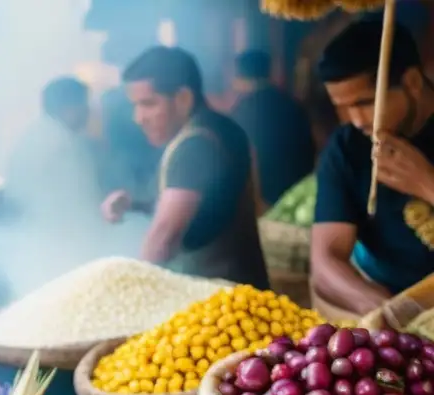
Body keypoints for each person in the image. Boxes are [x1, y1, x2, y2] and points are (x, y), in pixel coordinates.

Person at [102, 46, 269, 289]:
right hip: (241, 293)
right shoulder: (220, 126)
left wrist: (131, 294)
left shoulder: (196, 144)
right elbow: (201, 206)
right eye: (135, 105)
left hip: (218, 303)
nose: (138, 117)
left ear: (183, 98)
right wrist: (135, 204)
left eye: (148, 104)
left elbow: (164, 237)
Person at [312, 19, 434, 314]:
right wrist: (388, 313)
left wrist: (426, 184)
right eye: (343, 106)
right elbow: (326, 260)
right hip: (388, 303)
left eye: (365, 103)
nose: (356, 120)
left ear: (413, 82)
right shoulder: (348, 147)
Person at [6, 76, 100, 235]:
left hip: (26, 227)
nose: (89, 111)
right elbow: (78, 200)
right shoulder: (62, 144)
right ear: (68, 109)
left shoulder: (35, 132)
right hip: (51, 231)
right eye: (84, 104)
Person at [230, 50, 316, 208]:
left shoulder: (241, 111)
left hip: (264, 200)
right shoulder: (292, 104)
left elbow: (246, 159)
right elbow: (310, 149)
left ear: (239, 75)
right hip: (299, 195)